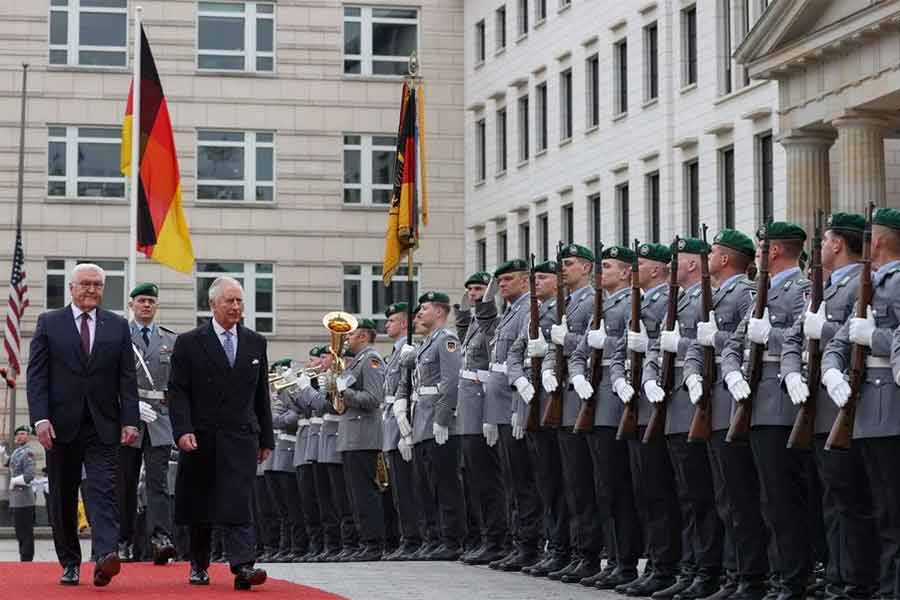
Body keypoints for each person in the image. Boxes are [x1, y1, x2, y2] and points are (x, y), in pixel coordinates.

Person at [781, 212, 878, 600]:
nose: (818, 247)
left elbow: (858, 334)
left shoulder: (861, 283)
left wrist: (825, 332)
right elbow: (793, 338)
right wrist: (791, 373)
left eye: (823, 239)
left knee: (851, 501)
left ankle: (856, 581)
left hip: (849, 404)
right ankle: (837, 577)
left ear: (838, 244)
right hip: (817, 407)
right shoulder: (819, 286)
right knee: (830, 500)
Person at [26, 262, 139, 587]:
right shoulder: (50, 322)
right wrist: (41, 418)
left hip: (103, 424)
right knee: (63, 495)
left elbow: (126, 378)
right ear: (71, 288)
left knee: (103, 489)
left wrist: (130, 419)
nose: (92, 290)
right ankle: (70, 562)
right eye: (85, 284)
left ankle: (105, 557)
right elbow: (37, 376)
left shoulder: (117, 326)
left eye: (97, 285)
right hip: (61, 426)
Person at [722, 222, 812, 600]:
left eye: (762, 247)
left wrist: (767, 336)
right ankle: (778, 576)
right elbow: (734, 342)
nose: (758, 254)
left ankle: (791, 579)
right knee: (765, 500)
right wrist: (730, 371)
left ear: (774, 251)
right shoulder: (763, 289)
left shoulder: (802, 288)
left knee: (783, 500)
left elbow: (804, 336)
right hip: (755, 403)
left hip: (781, 405)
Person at [169, 276, 274, 590]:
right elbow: (178, 392)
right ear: (212, 304)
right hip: (202, 435)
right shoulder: (189, 342)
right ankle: (199, 564)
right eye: (229, 300)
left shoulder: (256, 342)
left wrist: (266, 437)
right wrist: (182, 430)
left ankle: (243, 566)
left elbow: (261, 395)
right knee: (202, 502)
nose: (236, 306)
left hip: (241, 435)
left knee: (239, 500)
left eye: (240, 301)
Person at [682, 229, 761, 600]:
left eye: (712, 251)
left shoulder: (744, 293)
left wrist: (715, 347)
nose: (706, 257)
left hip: (734, 399)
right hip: (712, 401)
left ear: (726, 259)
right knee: (722, 496)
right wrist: (693, 374)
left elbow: (746, 342)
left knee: (738, 495)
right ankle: (730, 574)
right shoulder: (716, 294)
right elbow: (699, 343)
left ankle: (745, 576)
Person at [826, 208, 900, 600]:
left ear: (882, 240)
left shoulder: (897, 281)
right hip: (867, 413)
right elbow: (839, 340)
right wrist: (832, 371)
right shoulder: (870, 282)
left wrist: (877, 337)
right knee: (874, 507)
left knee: (891, 512)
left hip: (891, 411)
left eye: (870, 234)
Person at [643, 237, 724, 600]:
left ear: (692, 265)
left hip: (698, 404)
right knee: (685, 495)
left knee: (703, 496)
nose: (670, 267)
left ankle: (707, 570)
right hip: (674, 404)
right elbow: (660, 345)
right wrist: (648, 375)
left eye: (677, 261)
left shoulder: (709, 295)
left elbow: (709, 345)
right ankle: (690, 567)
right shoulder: (680, 299)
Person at [611, 242, 685, 597]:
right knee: (646, 490)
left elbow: (662, 347)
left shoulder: (666, 300)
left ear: (657, 270)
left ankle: (667, 565)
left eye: (639, 263)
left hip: (658, 403)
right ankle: (657, 563)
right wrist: (622, 379)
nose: (633, 269)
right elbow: (622, 352)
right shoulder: (639, 301)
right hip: (637, 401)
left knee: (661, 490)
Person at [569, 245, 643, 589]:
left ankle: (625, 562)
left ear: (627, 272)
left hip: (619, 401)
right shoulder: (604, 302)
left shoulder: (635, 301)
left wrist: (607, 345)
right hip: (596, 401)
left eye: (609, 266)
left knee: (620, 486)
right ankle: (613, 559)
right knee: (604, 488)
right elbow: (581, 350)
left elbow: (635, 345)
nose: (602, 273)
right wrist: (577, 374)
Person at [541, 243, 605, 584]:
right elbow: (557, 348)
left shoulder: (594, 299)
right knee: (571, 484)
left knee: (585, 483)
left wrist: (566, 341)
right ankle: (575, 551)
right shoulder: (565, 302)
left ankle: (590, 554)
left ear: (586, 267)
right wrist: (550, 366)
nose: (562, 269)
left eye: (568, 264)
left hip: (585, 396)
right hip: (564, 398)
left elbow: (592, 342)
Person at [507, 259, 572, 578]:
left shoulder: (568, 306)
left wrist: (547, 354)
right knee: (547, 481)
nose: (537, 283)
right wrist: (520, 382)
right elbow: (514, 353)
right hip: (537, 403)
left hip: (561, 401)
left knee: (565, 482)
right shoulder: (537, 311)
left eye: (543, 278)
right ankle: (556, 545)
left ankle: (566, 548)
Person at [396, 291, 466, 560]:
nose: (418, 314)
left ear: (439, 312)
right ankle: (434, 537)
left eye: (423, 308)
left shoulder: (446, 339)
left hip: (438, 423)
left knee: (446, 484)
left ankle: (451, 539)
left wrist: (443, 419)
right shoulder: (426, 344)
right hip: (423, 422)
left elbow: (450, 382)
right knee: (426, 484)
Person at [487, 259, 543, 573]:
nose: (502, 285)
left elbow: (521, 363)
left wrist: (519, 409)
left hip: (517, 406)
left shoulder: (526, 310)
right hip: (504, 407)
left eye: (508, 279)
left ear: (525, 280)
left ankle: (530, 544)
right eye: (500, 281)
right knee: (512, 480)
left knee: (524, 481)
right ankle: (519, 541)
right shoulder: (509, 312)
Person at [118, 282, 177, 565]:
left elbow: (177, 384)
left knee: (158, 483)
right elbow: (108, 380)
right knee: (126, 484)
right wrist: (128, 407)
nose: (146, 305)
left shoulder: (169, 340)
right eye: (141, 300)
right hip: (128, 418)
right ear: (131, 304)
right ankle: (122, 541)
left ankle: (160, 538)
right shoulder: (119, 336)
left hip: (160, 419)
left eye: (151, 301)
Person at [454, 273, 508, 566]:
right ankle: (486, 537)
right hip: (470, 411)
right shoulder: (474, 326)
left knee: (490, 481)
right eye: (469, 289)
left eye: (478, 289)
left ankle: (498, 539)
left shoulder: (492, 324)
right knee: (476, 480)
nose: (473, 294)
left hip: (486, 407)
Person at [335, 318, 387, 561]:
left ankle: (373, 543)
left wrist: (345, 392)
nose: (347, 338)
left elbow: (373, 399)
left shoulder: (371, 360)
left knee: (365, 493)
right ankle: (363, 542)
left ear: (364, 336)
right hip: (351, 436)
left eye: (351, 334)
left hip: (364, 436)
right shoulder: (355, 362)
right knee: (354, 495)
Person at [379, 303, 424, 561]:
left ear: (405, 324)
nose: (387, 325)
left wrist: (406, 432)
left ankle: (413, 539)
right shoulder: (394, 354)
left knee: (408, 489)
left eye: (393, 320)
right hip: (390, 425)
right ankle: (406, 538)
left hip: (403, 426)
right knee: (398, 491)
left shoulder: (410, 351)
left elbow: (408, 390)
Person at [7, 425, 37, 561]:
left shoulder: (28, 452)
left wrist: (14, 481)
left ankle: (26, 561)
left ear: (28, 436)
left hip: (24, 499)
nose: (19, 436)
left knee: (26, 533)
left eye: (23, 433)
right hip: (15, 499)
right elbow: (9, 464)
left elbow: (29, 475)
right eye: (18, 434)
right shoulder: (16, 452)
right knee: (19, 533)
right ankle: (23, 559)